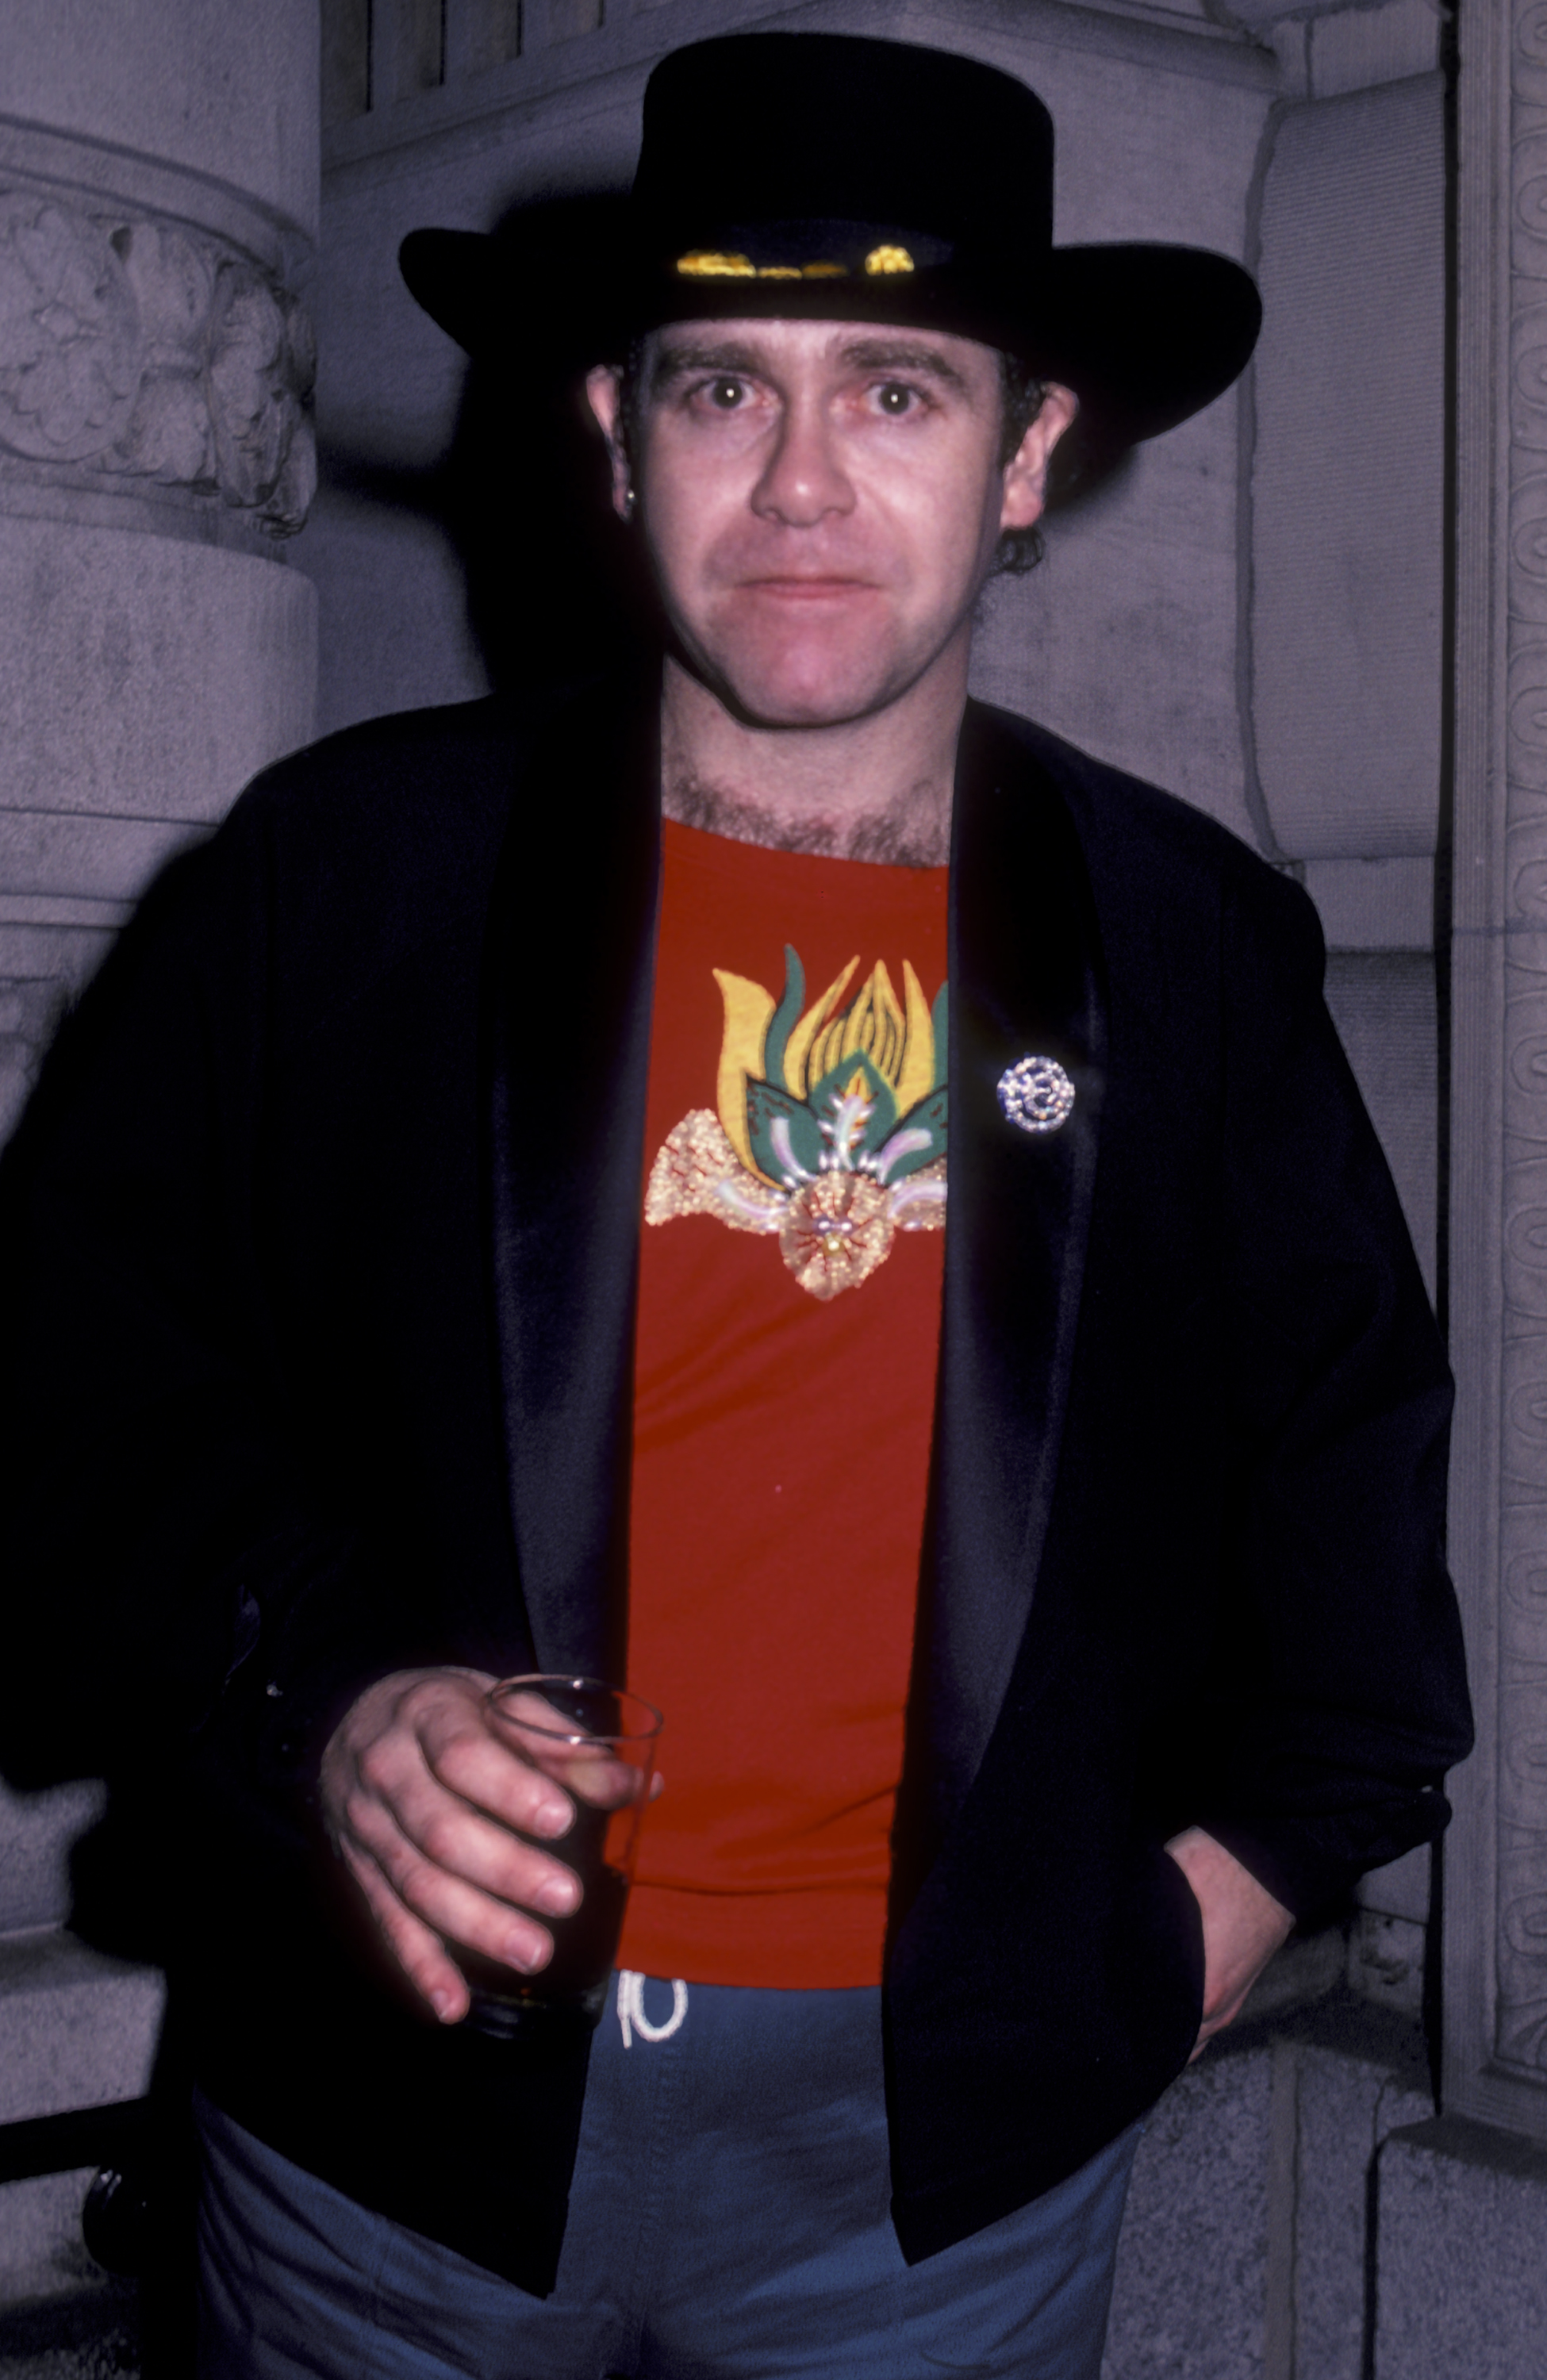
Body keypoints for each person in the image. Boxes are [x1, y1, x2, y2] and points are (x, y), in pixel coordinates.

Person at [0, 30, 1472, 2380]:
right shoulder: (350, 883)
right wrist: (320, 1691)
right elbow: (57, 1386)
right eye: (722, 390)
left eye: (897, 391)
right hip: (392, 2138)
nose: (800, 482)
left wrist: (1163, 1950)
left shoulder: (1187, 950)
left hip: (937, 2189)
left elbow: (1356, 1498)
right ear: (612, 434)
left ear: (1030, 455)